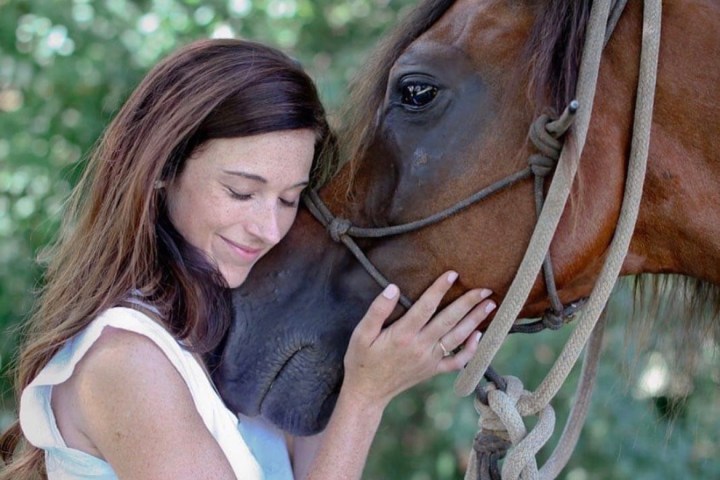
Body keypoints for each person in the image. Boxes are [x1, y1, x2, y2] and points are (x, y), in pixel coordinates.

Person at [0, 38, 496, 479]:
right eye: (241, 192)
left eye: (288, 199)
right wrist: (366, 398)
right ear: (162, 170)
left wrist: (373, 353)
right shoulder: (127, 361)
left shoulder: (234, 331)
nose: (269, 229)